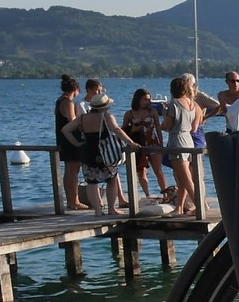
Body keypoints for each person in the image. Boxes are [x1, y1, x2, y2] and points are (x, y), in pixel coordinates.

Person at [67, 85, 126, 213]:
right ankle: (111, 208)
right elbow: (117, 130)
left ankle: (98, 211)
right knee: (112, 180)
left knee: (92, 182)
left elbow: (65, 130)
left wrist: (76, 143)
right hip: (105, 152)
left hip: (88, 151)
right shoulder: (107, 116)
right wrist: (131, 143)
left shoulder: (82, 118)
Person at [123, 88, 170, 201]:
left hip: (152, 142)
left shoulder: (152, 112)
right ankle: (148, 195)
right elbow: (123, 131)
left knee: (158, 170)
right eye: (144, 99)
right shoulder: (129, 114)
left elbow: (158, 128)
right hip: (138, 144)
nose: (147, 102)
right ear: (138, 99)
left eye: (148, 99)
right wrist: (132, 129)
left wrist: (161, 143)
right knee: (141, 171)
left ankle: (165, 194)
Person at [165, 74, 202, 214]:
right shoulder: (193, 104)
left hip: (177, 140)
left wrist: (164, 115)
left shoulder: (174, 103)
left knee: (185, 178)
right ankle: (179, 207)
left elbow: (167, 125)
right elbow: (194, 128)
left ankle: (199, 206)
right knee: (181, 178)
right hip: (188, 140)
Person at [55, 74, 88, 211]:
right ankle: (74, 200)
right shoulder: (68, 102)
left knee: (69, 170)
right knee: (73, 170)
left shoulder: (59, 101)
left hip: (63, 138)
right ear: (76, 89)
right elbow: (72, 121)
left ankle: (70, 200)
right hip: (70, 140)